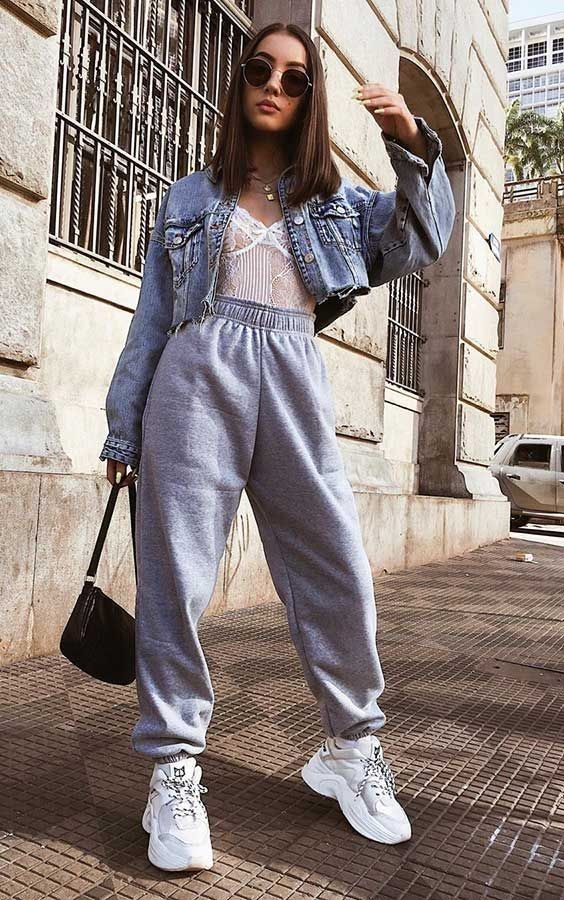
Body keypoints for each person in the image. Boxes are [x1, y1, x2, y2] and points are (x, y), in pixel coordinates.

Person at [99, 21, 455, 873]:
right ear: (240, 83)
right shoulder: (189, 197)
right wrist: (123, 423)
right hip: (195, 379)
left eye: (296, 78)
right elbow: (152, 319)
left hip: (293, 377)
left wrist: (409, 139)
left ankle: (351, 747)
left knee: (337, 567)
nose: (275, 86)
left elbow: (425, 236)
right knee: (176, 577)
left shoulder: (334, 203)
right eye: (261, 69)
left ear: (310, 98)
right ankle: (173, 767)